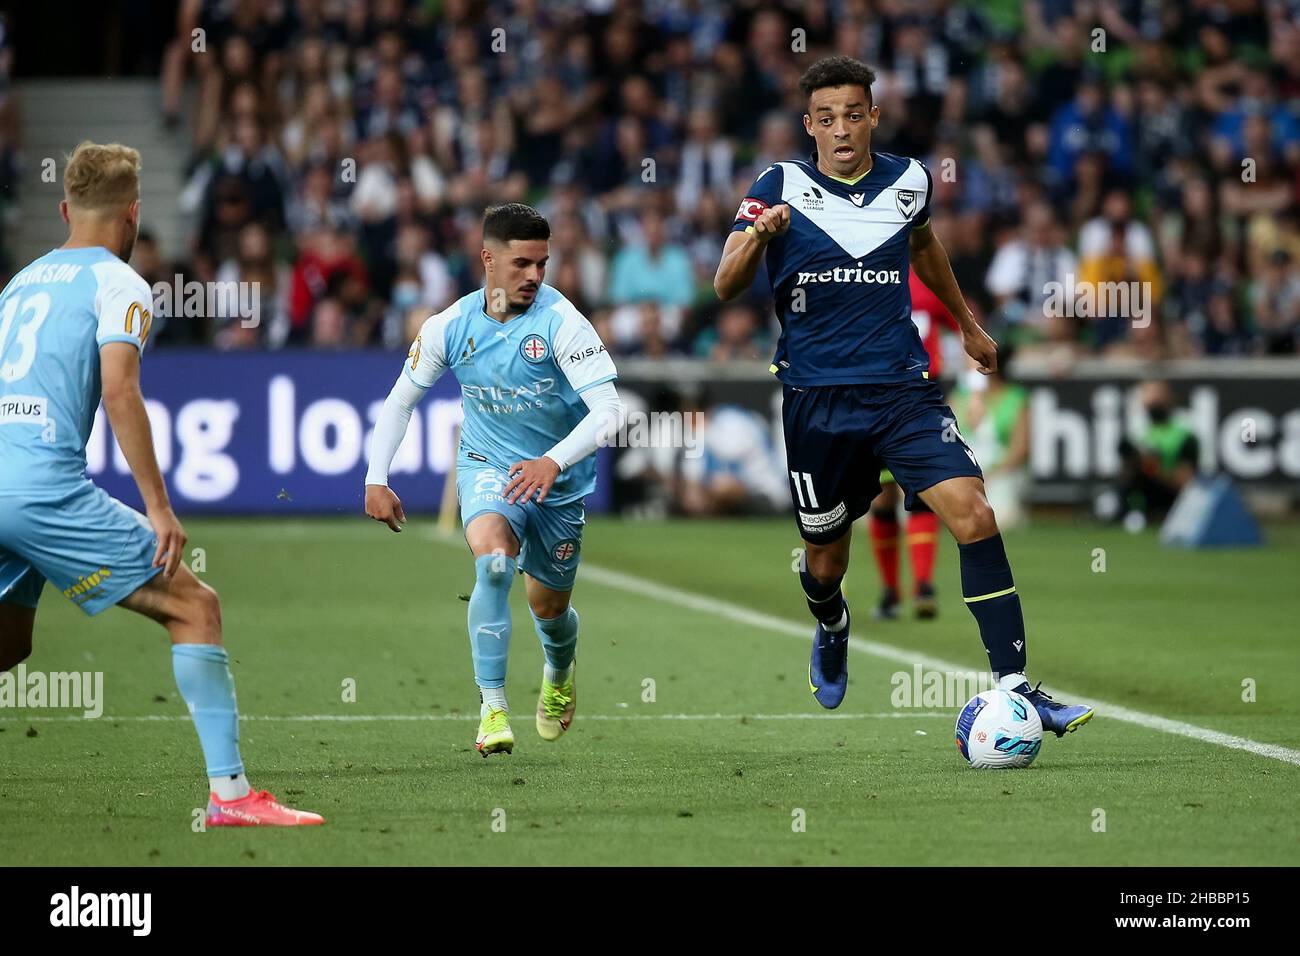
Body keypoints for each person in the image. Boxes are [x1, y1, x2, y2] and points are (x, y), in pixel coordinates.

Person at [712, 57, 1093, 737]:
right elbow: (723, 283)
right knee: (825, 562)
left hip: (904, 392)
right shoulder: (779, 185)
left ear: (873, 117)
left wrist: (969, 327)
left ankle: (1014, 685)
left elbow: (925, 248)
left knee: (974, 513)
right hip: (816, 402)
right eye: (826, 118)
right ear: (809, 126)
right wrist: (759, 237)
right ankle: (831, 622)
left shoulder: (909, 181)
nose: (841, 129)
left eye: (853, 114)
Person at [0, 141, 321, 825]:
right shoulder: (120, 283)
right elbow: (121, 391)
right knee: (194, 606)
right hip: (40, 490)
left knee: (10, 643)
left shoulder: (19, 283)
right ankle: (232, 798)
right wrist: (158, 507)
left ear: (64, 210)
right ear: (132, 217)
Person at [365, 203, 624, 756]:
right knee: (494, 560)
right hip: (489, 468)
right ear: (487, 258)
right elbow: (401, 401)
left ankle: (559, 669)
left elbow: (609, 413)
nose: (534, 276)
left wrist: (552, 462)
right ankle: (492, 708)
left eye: (543, 264)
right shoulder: (450, 326)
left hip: (559, 482)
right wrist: (376, 476)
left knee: (549, 609)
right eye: (522, 264)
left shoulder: (562, 322)